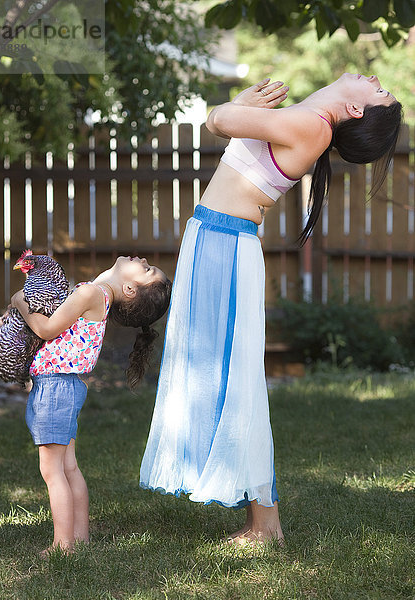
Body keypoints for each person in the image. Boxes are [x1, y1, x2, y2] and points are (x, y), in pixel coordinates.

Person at [139, 74, 402, 545]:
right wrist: (236, 110)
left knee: (236, 381)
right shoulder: (306, 119)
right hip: (214, 238)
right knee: (218, 375)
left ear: (358, 111)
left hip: (224, 244)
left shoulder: (310, 125)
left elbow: (218, 120)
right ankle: (260, 518)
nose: (376, 80)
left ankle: (266, 525)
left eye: (379, 91)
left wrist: (236, 104)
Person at [9, 256, 172, 556]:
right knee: (68, 466)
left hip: (56, 387)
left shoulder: (91, 294)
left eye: (147, 270)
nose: (145, 260)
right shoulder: (98, 295)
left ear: (130, 289)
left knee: (52, 470)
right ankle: (79, 538)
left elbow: (45, 329)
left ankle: (63, 545)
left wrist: (21, 301)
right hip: (67, 386)